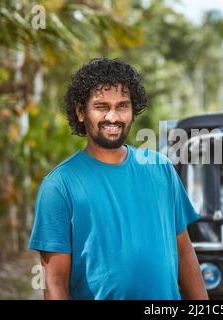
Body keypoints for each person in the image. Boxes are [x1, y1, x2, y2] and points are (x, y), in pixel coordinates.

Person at [29, 58, 208, 300]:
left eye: (122, 105)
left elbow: (185, 254)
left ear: (133, 110)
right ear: (81, 112)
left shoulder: (160, 168)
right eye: (101, 106)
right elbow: (55, 283)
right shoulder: (59, 185)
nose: (113, 117)